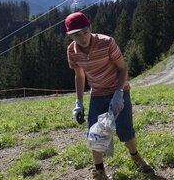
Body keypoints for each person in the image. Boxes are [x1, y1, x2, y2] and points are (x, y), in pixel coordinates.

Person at [65, 12, 153, 180]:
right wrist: (79, 103)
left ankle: (135, 156)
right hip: (97, 93)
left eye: (85, 32)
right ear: (70, 36)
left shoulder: (107, 43)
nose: (83, 37)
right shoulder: (72, 52)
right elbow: (80, 76)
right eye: (77, 35)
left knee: (125, 131)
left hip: (119, 90)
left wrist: (119, 93)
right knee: (95, 133)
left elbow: (123, 68)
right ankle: (99, 171)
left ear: (90, 28)